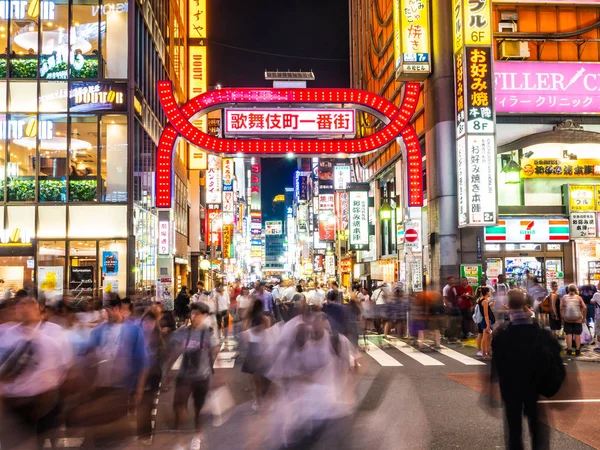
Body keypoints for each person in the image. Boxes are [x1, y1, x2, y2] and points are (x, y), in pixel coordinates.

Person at [0, 290, 74, 450]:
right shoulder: (5, 335)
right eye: (20, 304)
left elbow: (66, 368)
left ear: (40, 306)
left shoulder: (53, 334)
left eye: (30, 303)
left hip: (46, 403)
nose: (24, 308)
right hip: (15, 405)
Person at [491, 288, 559, 450]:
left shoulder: (502, 333)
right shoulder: (538, 332)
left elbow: (497, 363)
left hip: (510, 387)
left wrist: (492, 387)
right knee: (537, 427)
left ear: (509, 306)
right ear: (527, 306)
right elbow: (552, 356)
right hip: (534, 385)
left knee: (514, 429)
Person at [167, 302, 219, 430]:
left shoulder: (208, 332)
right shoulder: (184, 331)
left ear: (205, 316)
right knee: (178, 405)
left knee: (198, 407)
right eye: (192, 313)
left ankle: (197, 433)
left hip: (202, 375)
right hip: (184, 374)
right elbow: (174, 350)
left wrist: (215, 371)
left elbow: (215, 349)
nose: (193, 316)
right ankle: (178, 430)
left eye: (197, 314)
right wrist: (167, 369)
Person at [137, 310, 166, 443]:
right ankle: (141, 432)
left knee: (147, 404)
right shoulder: (136, 337)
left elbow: (161, 359)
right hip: (137, 376)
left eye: (152, 322)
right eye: (146, 321)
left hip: (152, 376)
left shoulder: (158, 339)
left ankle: (146, 434)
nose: (148, 324)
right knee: (139, 404)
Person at [241, 299, 271, 412]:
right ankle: (263, 398)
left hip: (253, 349)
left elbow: (245, 338)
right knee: (265, 377)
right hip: (263, 349)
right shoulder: (266, 319)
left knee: (255, 379)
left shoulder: (248, 320)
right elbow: (268, 334)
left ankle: (258, 401)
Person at [560, 284, 586, 356]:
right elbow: (585, 307)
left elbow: (561, 308)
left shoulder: (564, 297)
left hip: (567, 319)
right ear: (575, 290)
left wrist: (562, 317)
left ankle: (569, 350)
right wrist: (583, 317)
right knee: (577, 335)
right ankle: (577, 350)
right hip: (577, 319)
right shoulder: (578, 298)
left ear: (568, 290)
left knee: (569, 334)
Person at [475, 287, 494, 359]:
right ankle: (484, 354)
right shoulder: (485, 301)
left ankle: (487, 353)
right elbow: (486, 314)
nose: (490, 293)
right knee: (485, 337)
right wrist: (488, 324)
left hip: (484, 320)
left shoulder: (480, 299)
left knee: (488, 337)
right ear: (487, 293)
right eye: (489, 291)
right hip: (485, 320)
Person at [443, 276, 460, 342]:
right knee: (450, 322)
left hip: (455, 306)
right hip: (450, 308)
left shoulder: (453, 288)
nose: (453, 281)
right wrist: (448, 306)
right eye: (451, 280)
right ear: (448, 281)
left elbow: (455, 297)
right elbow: (445, 299)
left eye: (453, 280)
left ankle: (454, 335)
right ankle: (449, 337)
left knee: (455, 321)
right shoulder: (446, 288)